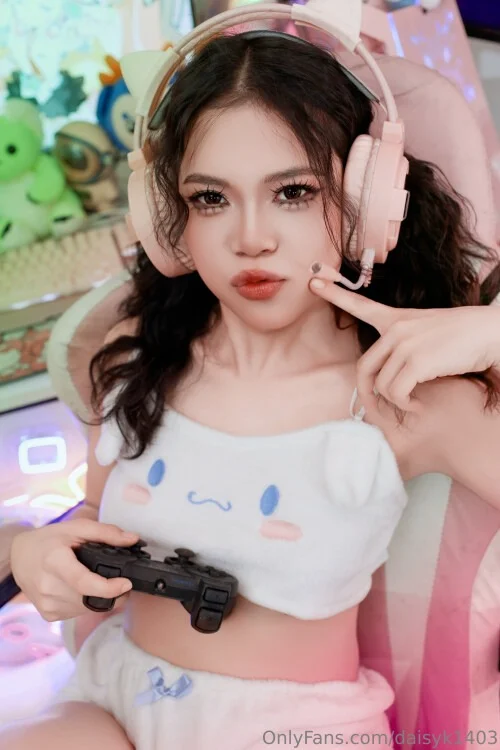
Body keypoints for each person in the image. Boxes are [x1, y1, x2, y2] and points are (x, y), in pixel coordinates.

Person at [4, 13, 500, 750]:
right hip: (107, 702)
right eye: (210, 198)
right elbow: (93, 524)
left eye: (292, 192)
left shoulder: (402, 392)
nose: (250, 238)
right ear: (167, 218)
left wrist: (492, 333)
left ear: (366, 201)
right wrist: (25, 550)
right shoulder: (139, 353)